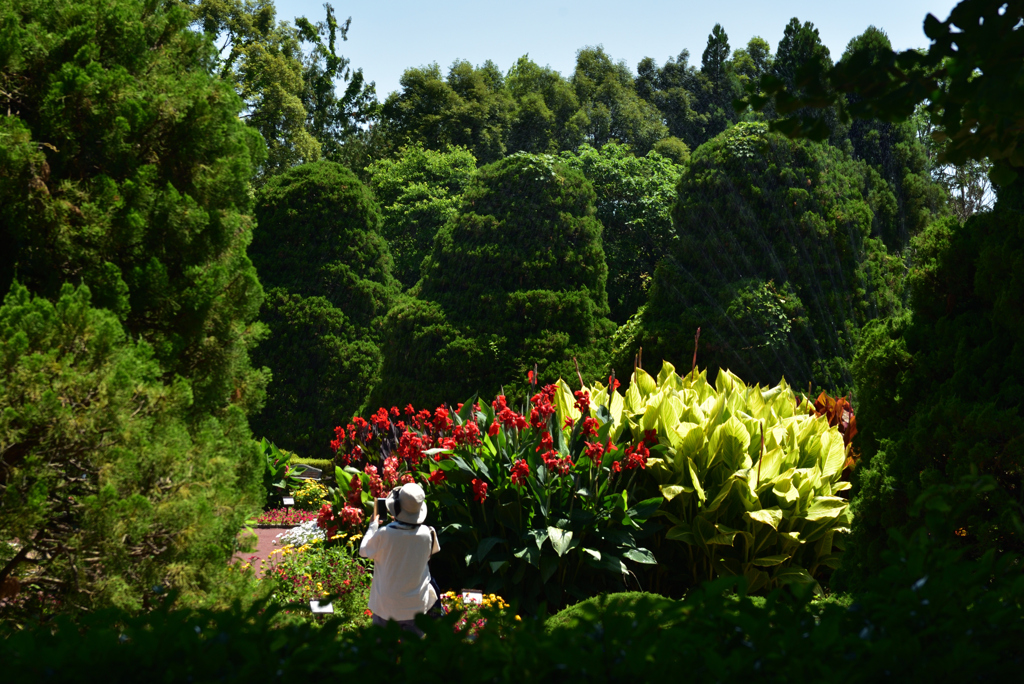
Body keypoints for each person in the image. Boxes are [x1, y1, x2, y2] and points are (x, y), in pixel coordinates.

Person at [359, 482, 440, 636]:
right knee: (413, 650)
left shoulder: (384, 534)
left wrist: (373, 526)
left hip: (386, 606)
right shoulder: (429, 533)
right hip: (415, 606)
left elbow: (363, 551)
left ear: (396, 507)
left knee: (382, 649)